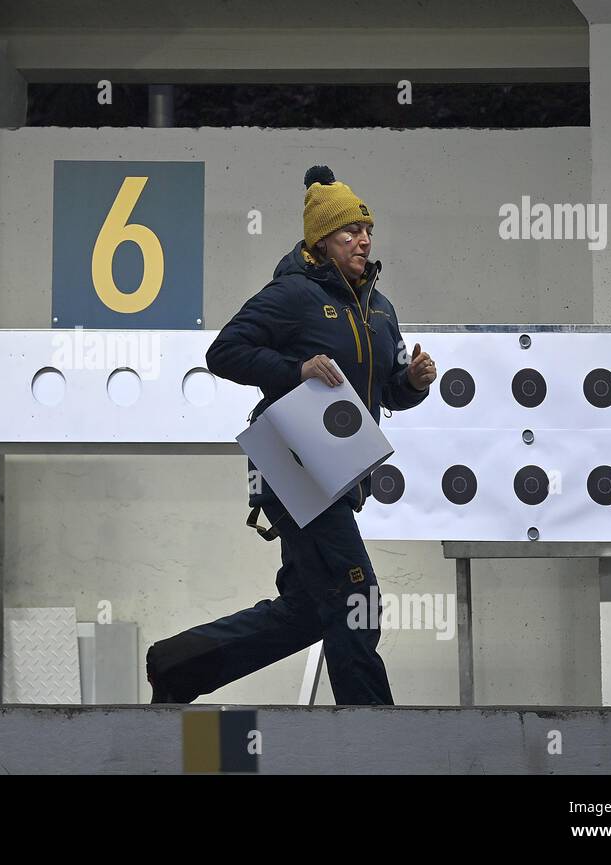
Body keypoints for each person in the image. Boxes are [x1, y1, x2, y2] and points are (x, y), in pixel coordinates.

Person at [146, 165, 436, 705]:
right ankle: (371, 730)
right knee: (357, 595)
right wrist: (296, 369)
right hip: (292, 467)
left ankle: (178, 667)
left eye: (366, 230)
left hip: (340, 470)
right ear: (322, 241)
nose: (363, 240)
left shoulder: (380, 309)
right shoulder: (294, 296)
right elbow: (223, 352)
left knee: (308, 610)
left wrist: (413, 383)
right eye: (349, 232)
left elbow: (387, 393)